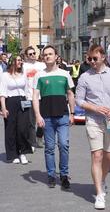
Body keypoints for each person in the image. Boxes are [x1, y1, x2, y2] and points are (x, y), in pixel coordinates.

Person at [75, 44, 110, 209]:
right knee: (97, 156)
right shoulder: (84, 77)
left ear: (103, 57)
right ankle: (99, 193)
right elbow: (79, 100)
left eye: (95, 58)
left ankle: (102, 179)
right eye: (89, 58)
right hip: (93, 121)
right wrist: (95, 107)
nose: (91, 62)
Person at [32, 45, 75, 189]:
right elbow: (35, 97)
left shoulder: (65, 74)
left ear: (56, 56)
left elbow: (70, 94)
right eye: (45, 55)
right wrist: (38, 115)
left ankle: (63, 175)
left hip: (62, 116)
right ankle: (51, 175)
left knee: (64, 145)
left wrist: (72, 113)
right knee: (49, 148)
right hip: (47, 117)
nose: (47, 56)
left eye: (50, 54)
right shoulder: (39, 75)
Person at [0, 55, 32, 164]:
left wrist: (28, 102)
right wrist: (3, 108)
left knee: (23, 128)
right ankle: (13, 153)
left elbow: (27, 90)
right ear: (12, 62)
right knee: (11, 129)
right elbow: (2, 92)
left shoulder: (23, 75)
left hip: (23, 102)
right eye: (18, 60)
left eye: (21, 60)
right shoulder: (5, 76)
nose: (20, 62)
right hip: (10, 102)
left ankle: (22, 152)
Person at [23, 46, 46, 149]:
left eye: (34, 53)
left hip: (42, 96)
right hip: (28, 96)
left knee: (42, 119)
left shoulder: (41, 65)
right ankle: (32, 143)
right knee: (31, 121)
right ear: (26, 56)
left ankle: (39, 136)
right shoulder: (24, 66)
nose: (33, 55)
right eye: (30, 54)